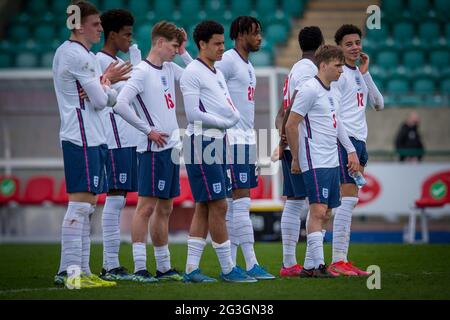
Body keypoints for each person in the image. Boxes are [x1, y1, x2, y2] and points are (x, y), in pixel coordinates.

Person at [52, 1, 130, 289]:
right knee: (80, 205)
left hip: (89, 135)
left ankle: (79, 270)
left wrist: (101, 83)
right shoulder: (80, 56)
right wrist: (106, 85)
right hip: (82, 136)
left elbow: (96, 95)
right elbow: (101, 100)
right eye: (96, 24)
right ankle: (71, 273)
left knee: (87, 205)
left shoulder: (67, 52)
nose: (100, 29)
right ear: (79, 25)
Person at [112, 21, 193, 282]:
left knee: (166, 208)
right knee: (145, 208)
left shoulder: (169, 67)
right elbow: (121, 105)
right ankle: (139, 268)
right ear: (159, 43)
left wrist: (183, 52)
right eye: (172, 45)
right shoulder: (141, 72)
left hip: (170, 149)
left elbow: (195, 75)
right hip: (152, 149)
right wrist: (147, 130)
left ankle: (164, 266)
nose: (174, 50)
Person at [180, 20, 256, 283]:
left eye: (223, 43)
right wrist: (226, 121)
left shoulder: (216, 71)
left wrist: (233, 115)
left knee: (204, 205)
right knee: (220, 204)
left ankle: (191, 269)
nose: (222, 48)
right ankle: (227, 269)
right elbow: (192, 114)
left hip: (217, 141)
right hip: (201, 142)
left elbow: (225, 105)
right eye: (217, 43)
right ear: (202, 44)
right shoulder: (192, 72)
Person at [285, 45, 359, 278]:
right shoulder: (308, 89)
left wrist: (350, 151)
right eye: (338, 66)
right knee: (317, 210)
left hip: (331, 159)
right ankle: (317, 266)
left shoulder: (333, 91)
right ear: (323, 65)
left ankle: (310, 265)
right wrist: (296, 157)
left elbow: (339, 125)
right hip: (314, 159)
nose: (341, 71)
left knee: (327, 213)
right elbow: (291, 124)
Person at [215, 16, 275, 280]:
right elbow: (207, 84)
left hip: (246, 140)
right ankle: (248, 264)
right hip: (232, 140)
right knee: (239, 204)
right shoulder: (227, 60)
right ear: (240, 34)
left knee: (235, 204)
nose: (260, 37)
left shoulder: (247, 64)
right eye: (255, 32)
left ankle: (233, 266)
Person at [330, 24, 384, 276]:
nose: (355, 47)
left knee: (348, 201)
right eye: (349, 44)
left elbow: (379, 104)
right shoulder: (338, 76)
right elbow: (336, 116)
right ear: (340, 47)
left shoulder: (358, 74)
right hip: (346, 142)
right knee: (347, 200)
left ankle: (341, 259)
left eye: (357, 42)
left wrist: (365, 73)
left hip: (359, 143)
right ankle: (338, 260)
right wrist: (350, 149)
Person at [274, 26, 324, 277]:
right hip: (303, 145)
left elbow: (281, 112)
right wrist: (294, 150)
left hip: (294, 143)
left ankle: (291, 263)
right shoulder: (308, 71)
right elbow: (296, 106)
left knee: (295, 203)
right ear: (322, 45)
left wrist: (281, 138)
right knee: (317, 205)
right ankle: (310, 264)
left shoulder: (296, 68)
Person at [96, 8, 138, 282]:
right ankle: (110, 264)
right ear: (113, 35)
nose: (129, 39)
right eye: (126, 35)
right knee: (113, 200)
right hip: (115, 141)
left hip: (127, 140)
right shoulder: (99, 62)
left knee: (118, 199)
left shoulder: (116, 61)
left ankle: (111, 263)